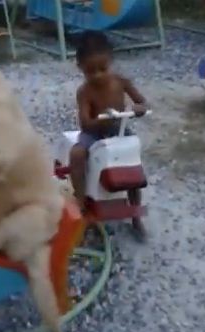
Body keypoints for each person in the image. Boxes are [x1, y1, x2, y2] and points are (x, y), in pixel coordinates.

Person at [68, 30, 148, 240]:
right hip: (94, 132)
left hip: (118, 130)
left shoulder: (121, 81)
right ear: (80, 68)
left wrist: (139, 108)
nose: (97, 75)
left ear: (110, 61)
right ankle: (81, 203)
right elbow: (85, 122)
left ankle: (135, 213)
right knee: (77, 154)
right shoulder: (84, 91)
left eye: (102, 68)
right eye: (90, 71)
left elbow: (142, 101)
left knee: (132, 163)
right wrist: (101, 119)